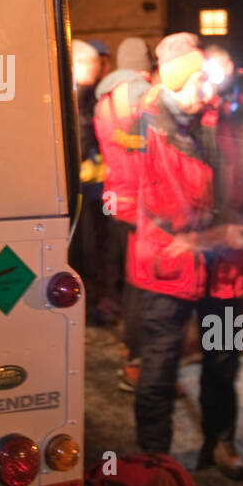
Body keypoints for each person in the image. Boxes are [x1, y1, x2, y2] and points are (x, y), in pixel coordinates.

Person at [131, 32, 243, 476]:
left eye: (208, 82)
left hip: (222, 269)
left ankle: (220, 443)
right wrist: (221, 232)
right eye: (197, 83)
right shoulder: (145, 127)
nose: (206, 92)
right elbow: (164, 210)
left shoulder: (219, 121)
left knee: (223, 362)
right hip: (166, 267)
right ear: (174, 82)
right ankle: (156, 462)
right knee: (158, 369)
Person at [93, 37, 153, 381]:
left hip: (116, 196)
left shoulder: (105, 98)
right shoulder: (143, 93)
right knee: (144, 284)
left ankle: (131, 352)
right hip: (144, 200)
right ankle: (136, 361)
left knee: (128, 276)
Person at [71, 38, 108, 314]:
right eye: (94, 65)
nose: (98, 72)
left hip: (88, 184)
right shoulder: (74, 94)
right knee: (81, 250)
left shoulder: (84, 93)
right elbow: (79, 140)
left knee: (91, 249)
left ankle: (90, 302)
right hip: (76, 185)